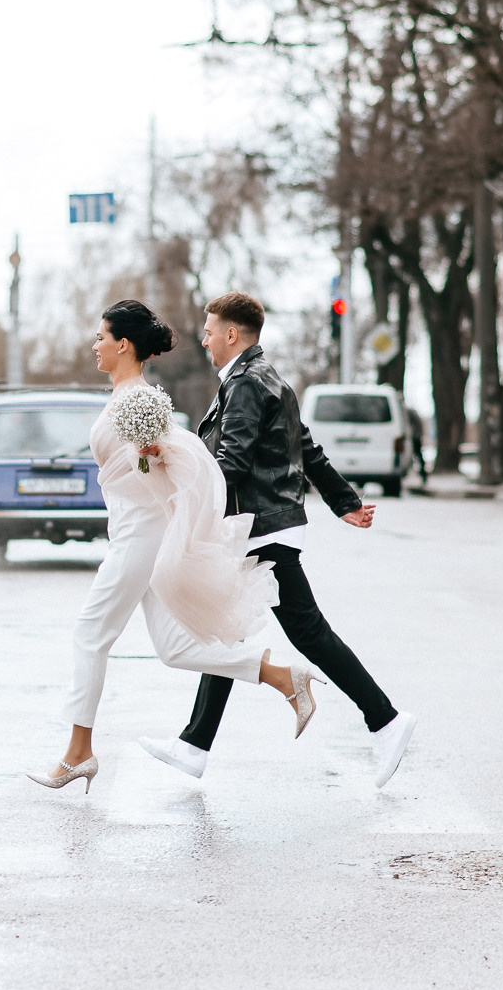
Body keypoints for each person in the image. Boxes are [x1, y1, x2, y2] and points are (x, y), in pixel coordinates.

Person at [28, 300, 319, 792]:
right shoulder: (126, 396)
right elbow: (149, 466)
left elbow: (177, 461)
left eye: (101, 337)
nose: (94, 345)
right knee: (175, 647)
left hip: (141, 534)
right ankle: (284, 677)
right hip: (135, 531)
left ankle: (79, 751)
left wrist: (155, 455)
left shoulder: (136, 401)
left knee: (89, 634)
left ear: (123, 344)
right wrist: (149, 460)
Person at [138, 291, 417, 787]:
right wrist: (345, 502)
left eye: (208, 332)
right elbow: (306, 449)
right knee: (224, 634)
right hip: (267, 523)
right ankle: (194, 745)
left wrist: (186, 492)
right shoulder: (269, 380)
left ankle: (387, 721)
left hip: (257, 527)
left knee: (306, 633)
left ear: (231, 334)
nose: (204, 341)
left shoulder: (246, 384)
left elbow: (232, 461)